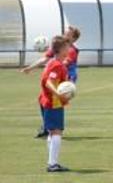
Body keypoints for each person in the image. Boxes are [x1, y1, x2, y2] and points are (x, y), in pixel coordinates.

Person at [22, 26, 81, 139]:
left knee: (55, 101)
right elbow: (45, 59)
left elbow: (64, 63)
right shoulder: (60, 46)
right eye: (65, 33)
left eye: (68, 34)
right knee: (43, 99)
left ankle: (52, 129)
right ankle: (49, 128)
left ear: (73, 38)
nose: (65, 35)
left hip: (66, 80)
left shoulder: (71, 50)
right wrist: (30, 68)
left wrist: (51, 69)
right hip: (57, 76)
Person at [39, 36, 73, 172]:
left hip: (51, 101)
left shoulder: (55, 63)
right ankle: (52, 164)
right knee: (57, 132)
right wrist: (59, 94)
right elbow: (48, 82)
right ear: (61, 50)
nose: (69, 49)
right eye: (67, 47)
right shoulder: (57, 65)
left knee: (52, 132)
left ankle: (52, 162)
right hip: (53, 103)